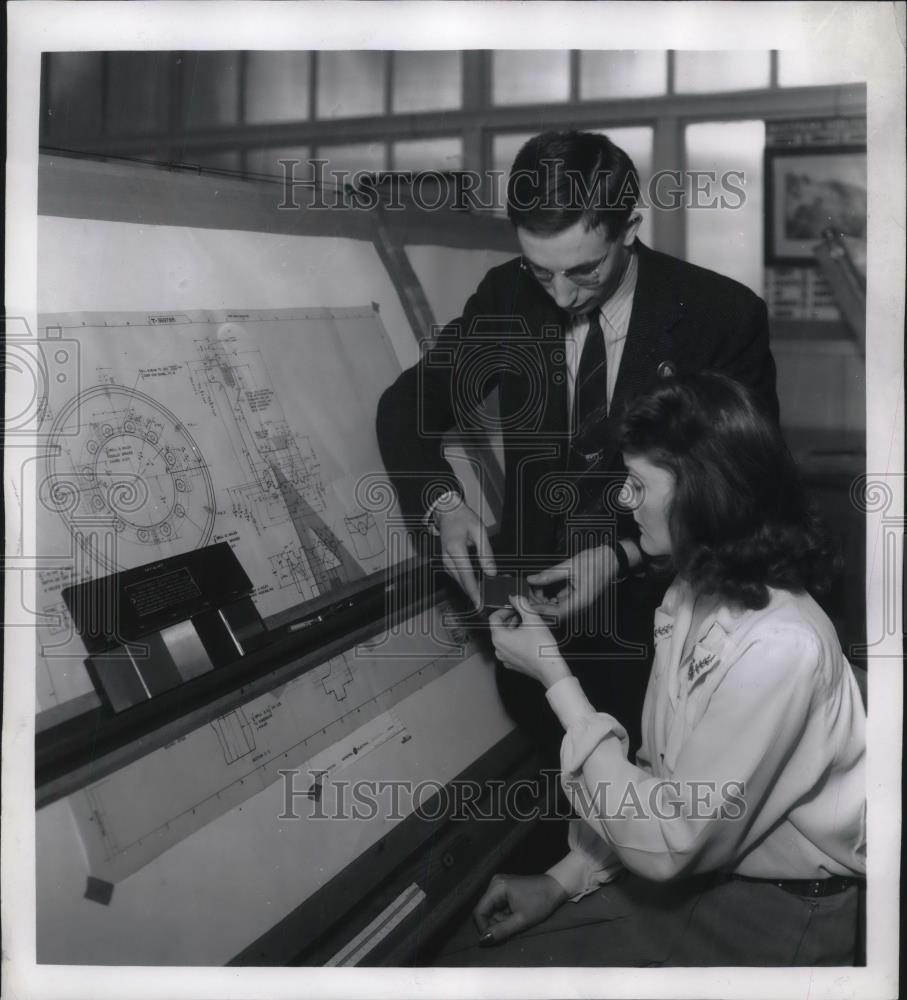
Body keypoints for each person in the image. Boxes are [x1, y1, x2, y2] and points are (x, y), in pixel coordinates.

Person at [434, 373, 866, 967]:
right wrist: (566, 877)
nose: (623, 501)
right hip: (701, 879)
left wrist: (555, 679)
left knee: (470, 971)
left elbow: (671, 840)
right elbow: (656, 777)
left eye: (638, 485)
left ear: (702, 494)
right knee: (468, 959)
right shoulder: (690, 589)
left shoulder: (779, 647)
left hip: (781, 913)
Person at [377, 130, 779, 758]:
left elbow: (747, 500)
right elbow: (406, 408)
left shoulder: (720, 319)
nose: (560, 296)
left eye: (583, 270)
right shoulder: (508, 296)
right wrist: (442, 506)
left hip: (662, 649)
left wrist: (621, 557)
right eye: (542, 271)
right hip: (536, 656)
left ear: (628, 227)